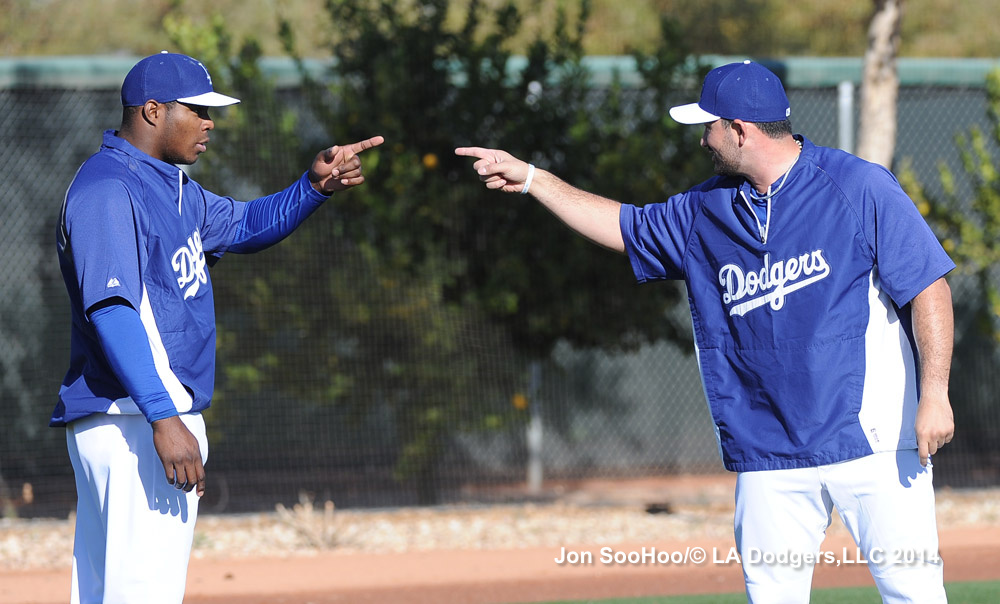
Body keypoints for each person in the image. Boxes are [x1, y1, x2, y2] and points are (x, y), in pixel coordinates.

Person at [456, 60, 956, 603]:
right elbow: (625, 227)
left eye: (709, 125)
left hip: (871, 440)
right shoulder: (706, 209)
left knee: (914, 592)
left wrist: (934, 395)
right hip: (768, 451)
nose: (703, 138)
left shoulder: (857, 187)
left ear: (739, 129)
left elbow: (928, 286)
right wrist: (534, 180)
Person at [52, 51, 383, 604]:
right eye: (198, 110)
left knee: (112, 594)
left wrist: (312, 186)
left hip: (142, 418)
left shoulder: (171, 186)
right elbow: (111, 310)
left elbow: (248, 223)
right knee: (142, 595)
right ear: (152, 111)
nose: (210, 123)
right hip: (134, 419)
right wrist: (164, 417)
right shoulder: (108, 189)